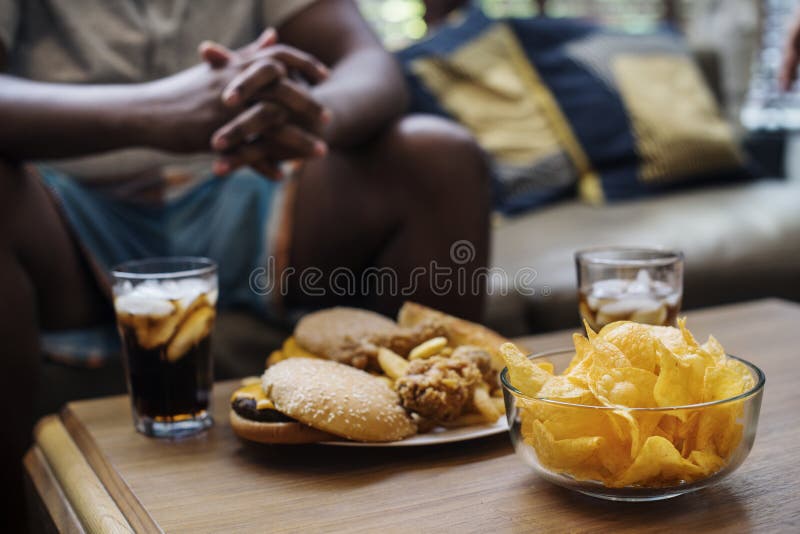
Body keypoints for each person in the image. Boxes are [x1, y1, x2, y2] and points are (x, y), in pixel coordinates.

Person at [0, 0, 490, 528]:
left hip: (256, 182)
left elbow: (370, 64)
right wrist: (151, 112)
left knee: (440, 155)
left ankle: (442, 492)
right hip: (64, 206)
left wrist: (304, 118)